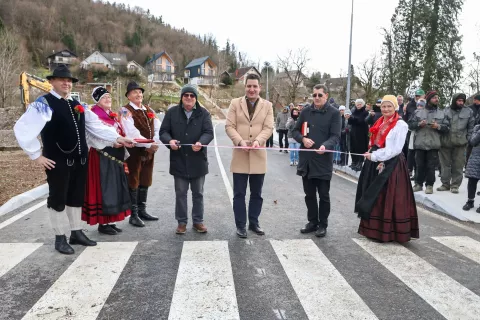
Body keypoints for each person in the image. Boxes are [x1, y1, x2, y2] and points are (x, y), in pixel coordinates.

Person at [14, 65, 134, 254]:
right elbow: (23, 129)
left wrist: (117, 138)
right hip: (57, 161)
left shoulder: (78, 105)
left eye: (69, 81)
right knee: (58, 199)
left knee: (76, 197)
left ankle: (76, 233)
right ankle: (59, 237)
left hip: (80, 160)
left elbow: (95, 126)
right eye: (62, 80)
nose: (66, 83)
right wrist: (36, 155)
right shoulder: (44, 103)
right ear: (52, 82)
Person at [355, 95, 419, 243]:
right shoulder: (380, 121)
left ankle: (390, 232)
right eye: (384, 106)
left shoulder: (400, 125)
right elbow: (375, 142)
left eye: (389, 106)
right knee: (373, 195)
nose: (386, 109)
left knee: (389, 196)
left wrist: (375, 156)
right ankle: (373, 229)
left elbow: (395, 149)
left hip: (392, 164)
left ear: (395, 107)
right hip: (375, 160)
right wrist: (371, 152)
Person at [160, 84, 214, 234]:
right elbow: (163, 132)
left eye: (192, 95)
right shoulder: (172, 113)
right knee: (181, 194)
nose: (189, 98)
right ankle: (181, 222)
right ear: (182, 97)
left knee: (198, 194)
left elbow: (209, 132)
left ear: (196, 98)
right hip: (179, 160)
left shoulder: (204, 114)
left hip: (198, 161)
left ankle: (198, 221)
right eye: (186, 95)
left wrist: (201, 143)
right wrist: (169, 141)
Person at [225, 73, 274, 238]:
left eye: (255, 86)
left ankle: (254, 222)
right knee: (239, 193)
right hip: (240, 154)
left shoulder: (267, 105)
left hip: (258, 155)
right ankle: (240, 225)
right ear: (245, 87)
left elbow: (268, 128)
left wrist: (258, 141)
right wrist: (240, 142)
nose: (252, 89)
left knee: (257, 193)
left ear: (260, 87)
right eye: (249, 86)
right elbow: (229, 126)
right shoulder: (235, 103)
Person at [82, 87, 133, 235]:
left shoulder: (112, 115)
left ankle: (111, 221)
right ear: (97, 101)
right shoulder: (93, 115)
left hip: (114, 154)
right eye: (104, 98)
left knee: (114, 188)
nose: (108, 99)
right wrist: (112, 142)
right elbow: (95, 135)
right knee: (105, 188)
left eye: (109, 97)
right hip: (101, 155)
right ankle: (103, 223)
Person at [293, 84, 341, 238]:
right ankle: (312, 222)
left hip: (323, 160)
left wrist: (325, 146)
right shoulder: (306, 111)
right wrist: (303, 139)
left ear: (326, 95)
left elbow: (335, 136)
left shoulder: (334, 113)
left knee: (323, 195)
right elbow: (294, 130)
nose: (317, 98)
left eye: (320, 95)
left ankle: (323, 224)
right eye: (314, 95)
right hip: (306, 160)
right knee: (309, 194)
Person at [120, 81, 161, 227]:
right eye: (135, 92)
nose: (138, 94)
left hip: (149, 151)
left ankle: (142, 210)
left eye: (140, 92)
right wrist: (149, 144)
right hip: (134, 151)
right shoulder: (125, 110)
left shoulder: (148, 109)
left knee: (146, 178)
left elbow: (157, 127)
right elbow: (131, 132)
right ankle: (134, 214)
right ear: (129, 96)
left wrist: (155, 142)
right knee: (134, 179)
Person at [409, 91, 450, 194]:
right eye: (434, 98)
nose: (436, 99)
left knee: (431, 166)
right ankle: (418, 184)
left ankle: (429, 185)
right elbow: (409, 125)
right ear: (428, 99)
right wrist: (419, 124)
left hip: (433, 143)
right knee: (419, 165)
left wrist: (438, 126)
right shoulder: (418, 112)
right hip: (420, 143)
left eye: (437, 97)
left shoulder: (442, 113)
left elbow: (447, 128)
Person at [438, 93, 474, 193]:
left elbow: (471, 127)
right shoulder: (445, 111)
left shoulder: (468, 111)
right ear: (454, 101)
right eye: (459, 101)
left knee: (458, 165)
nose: (461, 103)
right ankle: (445, 184)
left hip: (461, 143)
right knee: (445, 165)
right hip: (446, 142)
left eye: (462, 101)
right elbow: (442, 125)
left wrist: (468, 139)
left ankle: (455, 185)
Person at [348, 99, 370, 171]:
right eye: (357, 104)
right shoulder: (353, 111)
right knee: (353, 147)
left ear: (363, 105)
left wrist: (353, 118)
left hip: (361, 133)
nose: (358, 105)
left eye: (360, 104)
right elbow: (350, 122)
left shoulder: (365, 112)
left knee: (360, 148)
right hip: (353, 132)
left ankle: (359, 163)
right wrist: (350, 118)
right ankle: (354, 162)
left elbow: (361, 121)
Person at [463, 124, 480, 212]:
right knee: (472, 181)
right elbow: (472, 141)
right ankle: (470, 201)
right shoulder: (477, 127)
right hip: (475, 159)